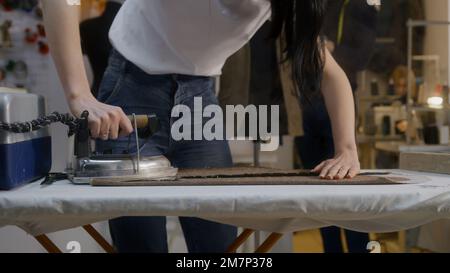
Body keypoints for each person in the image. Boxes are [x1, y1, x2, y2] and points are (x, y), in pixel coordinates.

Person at [41, 0, 360, 253]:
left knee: (217, 245)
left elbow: (331, 75)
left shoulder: (286, 5)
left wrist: (346, 149)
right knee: (141, 243)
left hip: (199, 101)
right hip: (132, 90)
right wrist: (79, 94)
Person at [296, 0, 378, 253]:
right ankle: (330, 249)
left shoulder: (363, 6)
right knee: (318, 187)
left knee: (347, 187)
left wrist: (329, 50)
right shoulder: (318, 5)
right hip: (303, 103)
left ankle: (359, 249)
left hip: (338, 104)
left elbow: (361, 58)